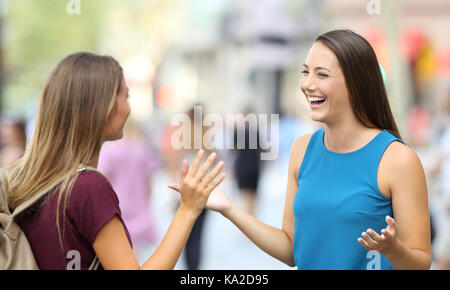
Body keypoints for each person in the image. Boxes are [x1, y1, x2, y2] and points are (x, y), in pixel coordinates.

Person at [196, 29, 432, 270]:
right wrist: (228, 209)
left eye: (322, 74)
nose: (308, 84)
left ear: (356, 83)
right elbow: (291, 249)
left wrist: (394, 250)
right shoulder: (302, 150)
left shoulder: (398, 159)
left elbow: (421, 262)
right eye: (305, 72)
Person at [2, 52, 225, 270]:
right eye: (125, 96)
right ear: (102, 106)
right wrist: (187, 210)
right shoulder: (88, 187)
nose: (128, 107)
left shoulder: (22, 171)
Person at [98, 118, 159, 264]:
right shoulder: (141, 148)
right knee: (135, 253)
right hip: (138, 206)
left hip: (118, 207)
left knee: (123, 252)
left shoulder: (109, 150)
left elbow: (103, 180)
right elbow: (149, 182)